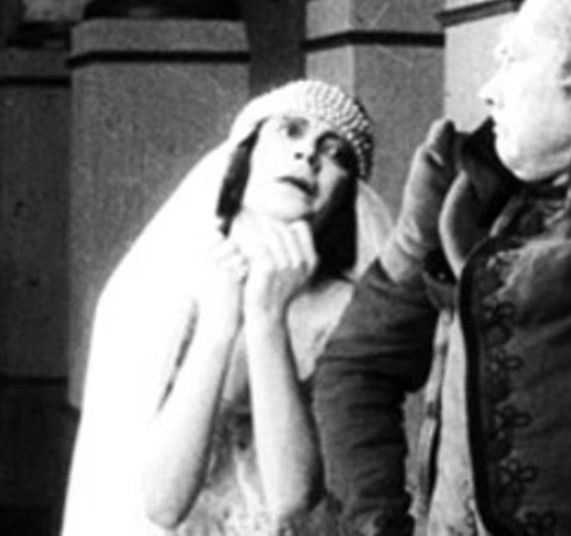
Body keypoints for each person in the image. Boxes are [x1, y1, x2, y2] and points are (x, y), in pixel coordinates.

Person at [314, 0, 571, 536]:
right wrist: (376, 524)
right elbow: (356, 369)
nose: (488, 91)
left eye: (513, 59)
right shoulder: (472, 203)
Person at [60, 80, 392, 536]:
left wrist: (266, 319)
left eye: (336, 153)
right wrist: (219, 325)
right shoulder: (166, 280)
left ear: (346, 194)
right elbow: (162, 506)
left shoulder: (346, 308)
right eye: (290, 130)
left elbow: (293, 505)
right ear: (245, 154)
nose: (308, 155)